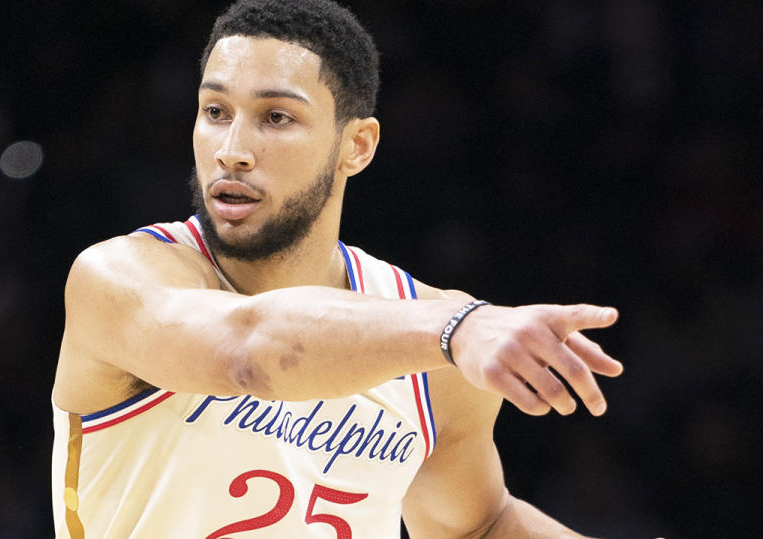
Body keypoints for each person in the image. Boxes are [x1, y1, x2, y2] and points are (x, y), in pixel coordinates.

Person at [51, 1, 624, 537]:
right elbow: (247, 347)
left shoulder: (434, 349)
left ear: (357, 146)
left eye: (275, 117)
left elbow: (478, 525)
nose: (232, 149)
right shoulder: (119, 279)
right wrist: (455, 328)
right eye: (215, 112)